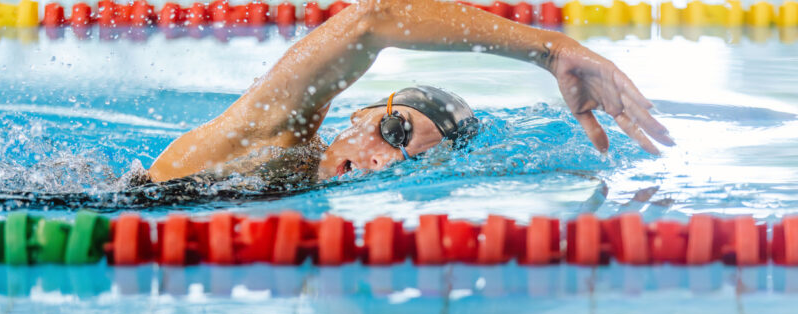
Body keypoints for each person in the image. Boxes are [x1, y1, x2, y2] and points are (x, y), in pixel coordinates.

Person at [142, 0, 674, 187]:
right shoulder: (271, 135)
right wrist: (550, 51)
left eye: (404, 159)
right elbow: (376, 16)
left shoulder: (306, 188)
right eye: (394, 131)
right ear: (361, 112)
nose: (378, 160)